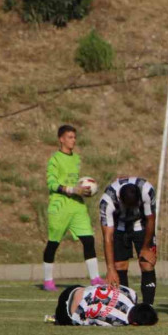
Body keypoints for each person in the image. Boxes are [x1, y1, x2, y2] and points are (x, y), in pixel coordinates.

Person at [42, 125, 102, 292]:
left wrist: (84, 189)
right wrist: (72, 189)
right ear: (61, 139)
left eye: (74, 137)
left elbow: (76, 182)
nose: (73, 140)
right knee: (53, 243)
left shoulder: (76, 158)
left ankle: (95, 278)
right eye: (69, 137)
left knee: (89, 240)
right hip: (60, 206)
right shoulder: (55, 160)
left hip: (77, 206)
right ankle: (47, 281)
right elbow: (52, 184)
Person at [99, 176, 158, 305]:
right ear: (120, 200)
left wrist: (146, 248)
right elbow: (107, 237)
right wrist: (110, 269)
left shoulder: (147, 190)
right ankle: (126, 305)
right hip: (119, 226)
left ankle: (148, 306)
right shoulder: (107, 201)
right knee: (119, 266)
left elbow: (151, 219)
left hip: (142, 225)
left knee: (146, 263)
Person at [51, 284, 159, 326]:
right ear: (135, 323)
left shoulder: (130, 294)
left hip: (74, 289)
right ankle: (56, 319)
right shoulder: (116, 321)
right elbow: (90, 321)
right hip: (66, 313)